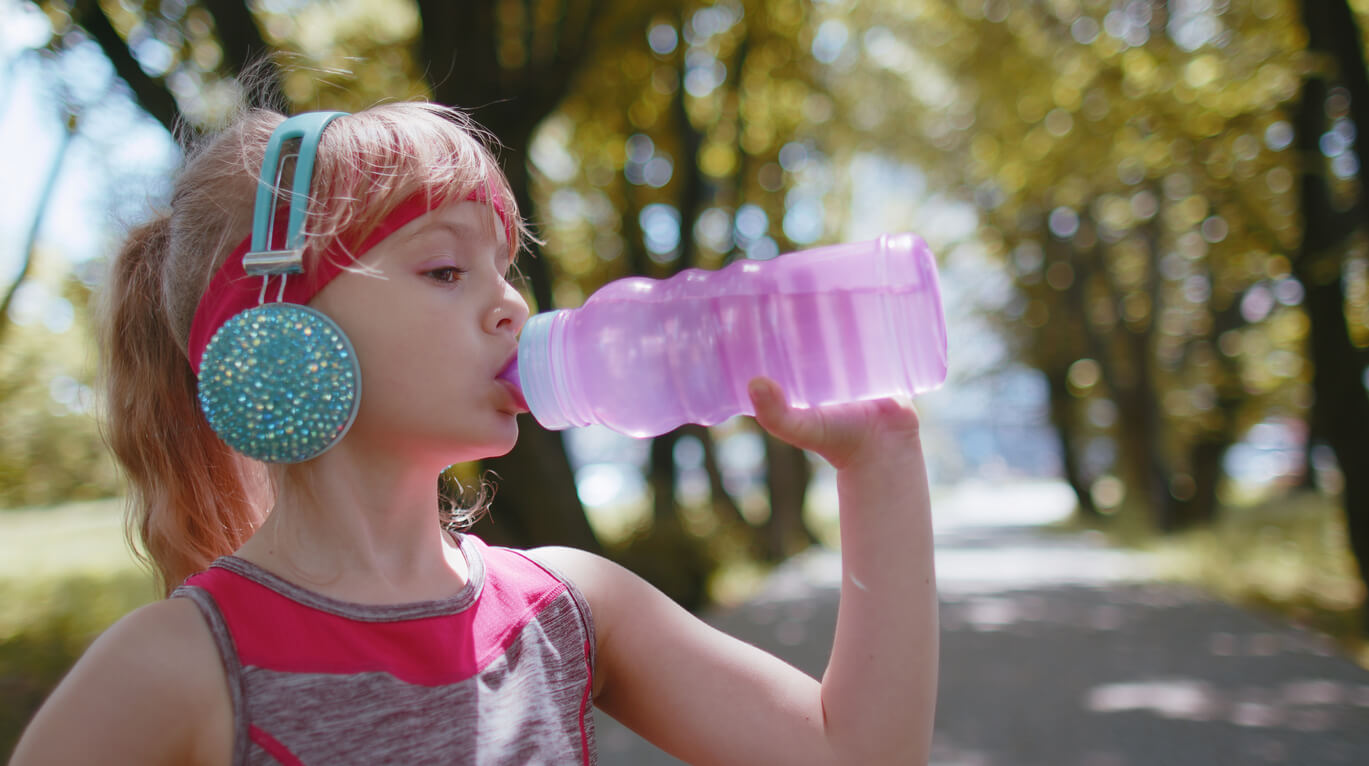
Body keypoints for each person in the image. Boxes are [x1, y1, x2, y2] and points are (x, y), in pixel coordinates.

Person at [9, 100, 938, 765]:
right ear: (276, 336)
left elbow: (855, 752)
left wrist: (881, 460)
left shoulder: (566, 608)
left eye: (505, 267)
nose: (509, 304)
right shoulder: (183, 665)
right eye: (447, 270)